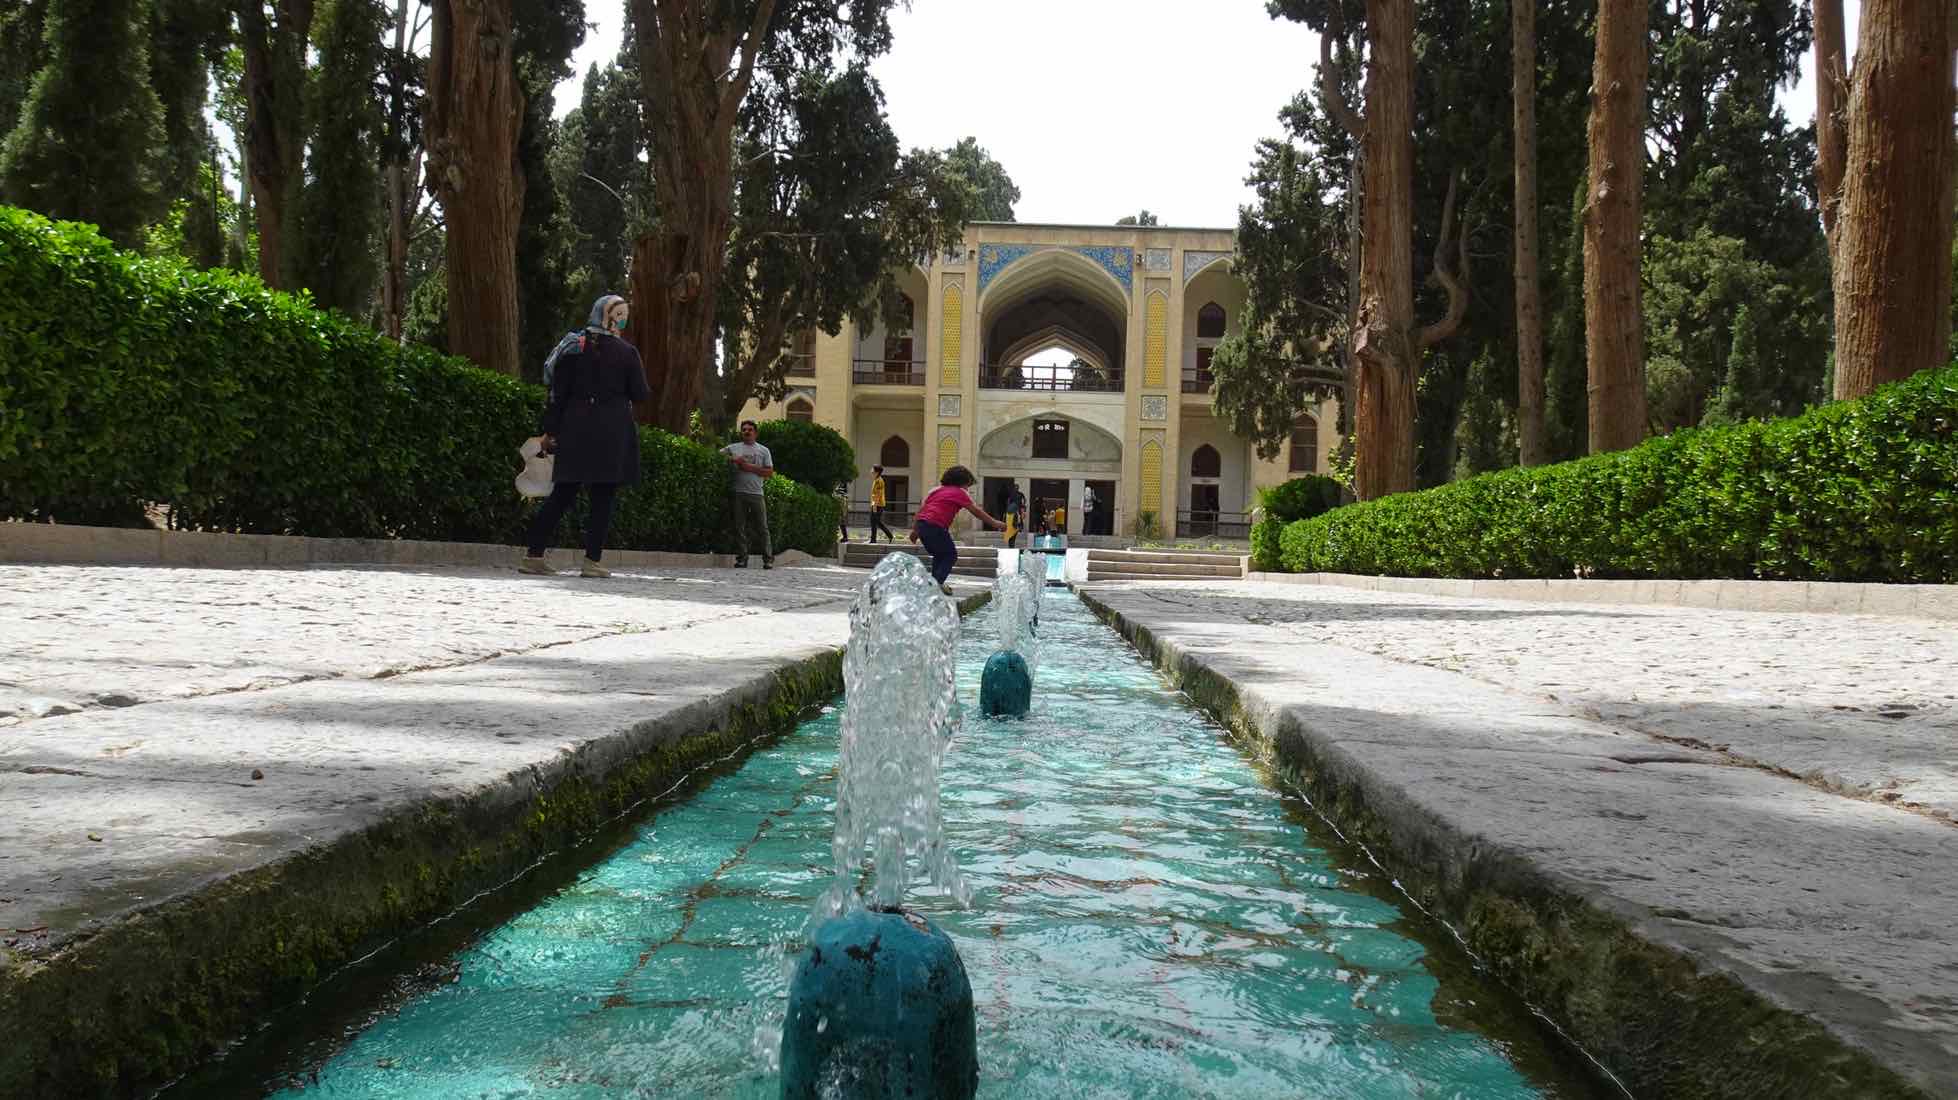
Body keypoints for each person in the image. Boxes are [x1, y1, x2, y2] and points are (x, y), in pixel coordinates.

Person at [520, 294, 648, 578]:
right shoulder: (627, 352)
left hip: (574, 429)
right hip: (611, 432)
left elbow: (557, 395)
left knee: (562, 494)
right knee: (603, 497)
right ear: (616, 318)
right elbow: (640, 393)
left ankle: (533, 555)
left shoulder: (572, 347)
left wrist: (550, 431)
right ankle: (592, 561)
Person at [909, 465, 1003, 594]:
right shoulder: (959, 492)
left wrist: (915, 531)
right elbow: (976, 511)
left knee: (940, 555)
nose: (967, 489)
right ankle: (935, 585)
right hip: (935, 525)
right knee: (950, 555)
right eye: (967, 485)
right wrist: (995, 523)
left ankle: (936, 582)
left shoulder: (936, 491)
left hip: (923, 525)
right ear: (961, 482)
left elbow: (922, 510)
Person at [721, 420, 775, 568]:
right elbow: (717, 455)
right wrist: (732, 458)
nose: (747, 432)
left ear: (755, 433)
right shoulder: (733, 448)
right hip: (738, 493)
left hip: (757, 494)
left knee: (762, 527)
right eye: (744, 429)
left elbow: (769, 472)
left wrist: (747, 466)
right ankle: (742, 559)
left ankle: (768, 559)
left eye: (750, 430)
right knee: (739, 527)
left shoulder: (764, 450)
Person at [868, 465, 896, 543]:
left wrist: (874, 505)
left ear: (876, 472)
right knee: (876, 522)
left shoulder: (879, 481)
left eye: (872, 469)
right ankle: (888, 537)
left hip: (878, 505)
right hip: (876, 504)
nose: (871, 471)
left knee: (875, 522)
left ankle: (874, 539)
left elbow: (878, 494)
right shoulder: (876, 480)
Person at [1002, 483, 1026, 548]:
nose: (1016, 488)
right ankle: (1018, 527)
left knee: (1018, 518)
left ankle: (1020, 527)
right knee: (1015, 519)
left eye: (1017, 487)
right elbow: (1009, 501)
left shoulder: (1020, 494)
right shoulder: (1012, 494)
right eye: (1015, 487)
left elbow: (1024, 500)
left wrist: (1023, 506)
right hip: (1013, 509)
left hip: (1017, 508)